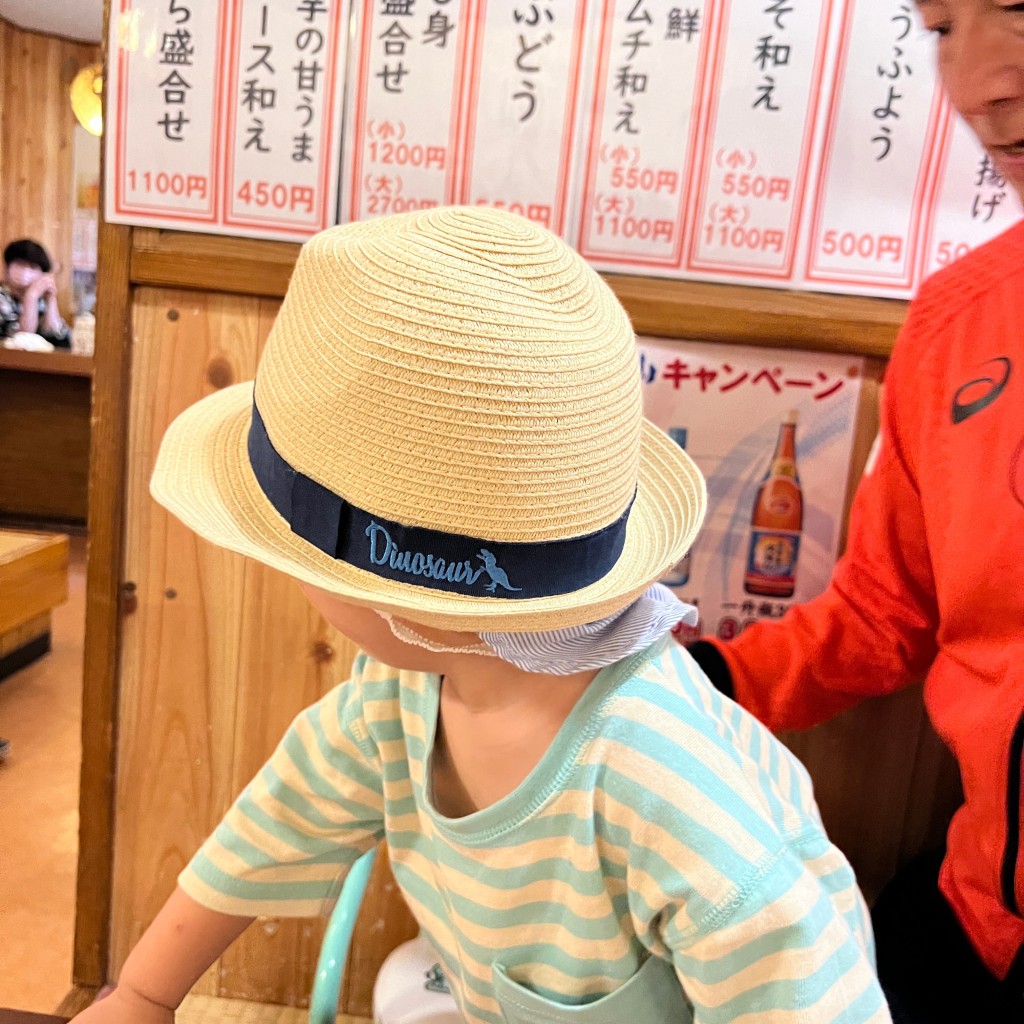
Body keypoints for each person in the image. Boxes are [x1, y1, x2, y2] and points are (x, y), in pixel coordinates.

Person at [72, 208, 891, 1024]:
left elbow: (812, 996)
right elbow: (278, 819)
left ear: (405, 603)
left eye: (288, 551)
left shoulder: (662, 782)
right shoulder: (399, 696)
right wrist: (142, 995)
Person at [687, 2, 1024, 1020]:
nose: (975, 85)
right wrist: (700, 679)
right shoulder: (958, 321)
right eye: (939, 30)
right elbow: (886, 610)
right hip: (974, 923)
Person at [0, 238, 71, 349]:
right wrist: (31, 296)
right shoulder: (2, 297)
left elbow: (60, 341)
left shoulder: (41, 301)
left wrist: (51, 299)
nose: (25, 271)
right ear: (7, 268)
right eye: (20, 264)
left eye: (33, 267)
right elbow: (20, 342)